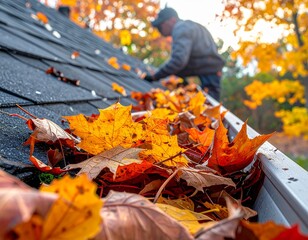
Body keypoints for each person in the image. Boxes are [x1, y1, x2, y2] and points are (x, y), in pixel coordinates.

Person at [144, 7, 225, 101]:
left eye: (161, 25)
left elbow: (178, 61)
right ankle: (184, 92)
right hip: (209, 68)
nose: (160, 29)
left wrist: (155, 76)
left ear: (172, 20)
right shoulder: (192, 26)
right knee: (209, 103)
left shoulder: (180, 28)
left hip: (209, 71)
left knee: (209, 104)